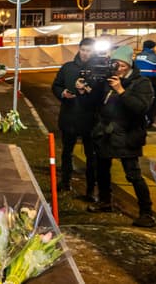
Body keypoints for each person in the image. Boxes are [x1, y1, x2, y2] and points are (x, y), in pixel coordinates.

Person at [83, 45, 156, 228]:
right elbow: (95, 104)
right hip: (105, 134)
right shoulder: (108, 80)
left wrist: (121, 90)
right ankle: (105, 201)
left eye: (120, 65)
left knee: (133, 175)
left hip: (127, 135)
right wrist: (86, 89)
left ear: (128, 65)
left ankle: (146, 213)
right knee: (102, 170)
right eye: (114, 63)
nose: (117, 68)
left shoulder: (141, 83)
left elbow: (140, 108)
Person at [51, 37, 98, 200]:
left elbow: (102, 94)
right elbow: (56, 85)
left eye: (89, 51)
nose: (85, 54)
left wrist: (88, 90)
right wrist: (62, 93)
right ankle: (65, 182)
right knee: (66, 153)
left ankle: (91, 190)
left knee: (91, 157)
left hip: (91, 120)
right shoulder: (68, 68)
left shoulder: (98, 70)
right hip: (69, 117)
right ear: (79, 49)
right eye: (83, 50)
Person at [134, 39, 156, 128]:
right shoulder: (154, 57)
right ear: (153, 47)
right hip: (151, 81)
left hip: (137, 80)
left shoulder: (138, 56)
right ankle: (149, 122)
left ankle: (138, 121)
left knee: (139, 100)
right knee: (153, 102)